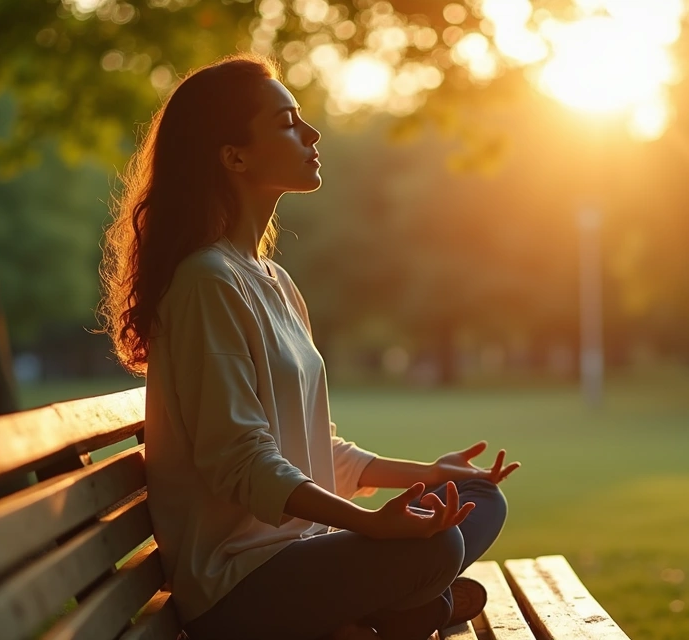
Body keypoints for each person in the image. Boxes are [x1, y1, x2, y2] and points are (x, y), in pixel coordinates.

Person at [98, 53, 519, 640]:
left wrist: (431, 474)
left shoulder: (272, 280)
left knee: (476, 499)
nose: (312, 132)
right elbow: (241, 462)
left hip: (302, 554)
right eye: (287, 122)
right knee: (437, 543)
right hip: (238, 582)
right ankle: (400, 609)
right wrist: (370, 527)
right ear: (234, 156)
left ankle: (389, 613)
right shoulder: (206, 283)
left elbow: (320, 451)